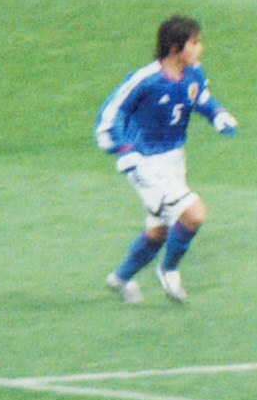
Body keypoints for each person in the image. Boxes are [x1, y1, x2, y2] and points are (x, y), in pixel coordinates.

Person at [95, 16, 238, 305]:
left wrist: (217, 114)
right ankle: (169, 270)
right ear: (175, 48)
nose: (200, 48)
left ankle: (120, 279)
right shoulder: (145, 80)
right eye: (194, 43)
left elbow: (200, 98)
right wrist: (123, 150)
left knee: (158, 233)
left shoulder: (193, 73)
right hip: (145, 163)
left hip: (174, 160)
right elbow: (112, 115)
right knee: (194, 214)